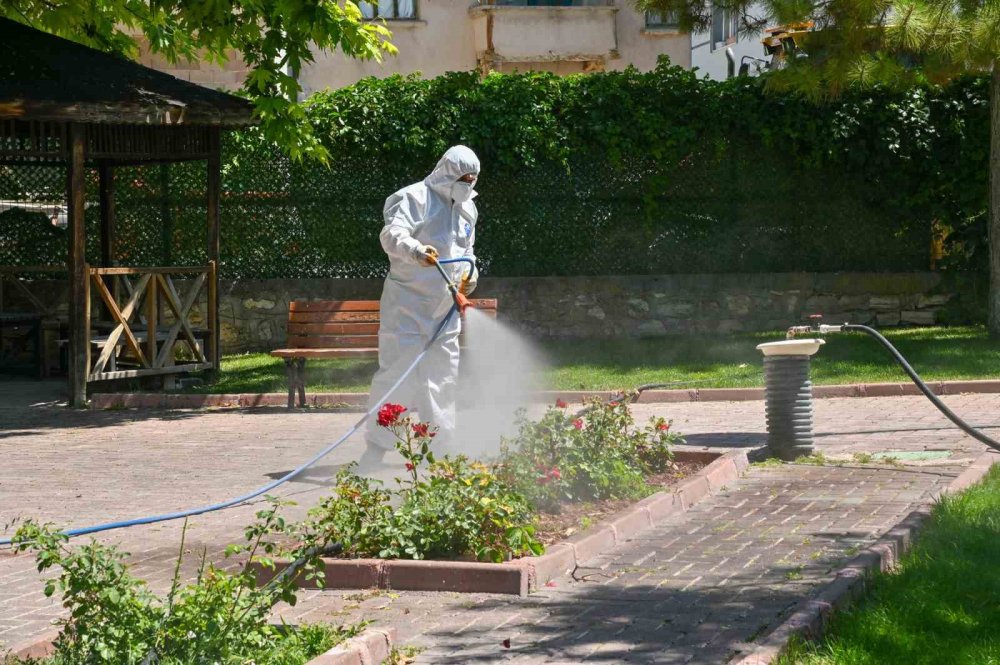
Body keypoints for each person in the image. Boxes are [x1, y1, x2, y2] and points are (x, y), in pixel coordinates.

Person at [360, 145, 480, 464]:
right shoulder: (413, 197)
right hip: (407, 308)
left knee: (441, 381)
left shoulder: (467, 207)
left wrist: (471, 274)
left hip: (444, 311)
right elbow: (391, 235)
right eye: (463, 177)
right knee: (398, 378)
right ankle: (376, 449)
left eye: (473, 179)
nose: (468, 184)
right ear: (447, 172)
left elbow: (467, 251)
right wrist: (416, 250)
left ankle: (439, 451)